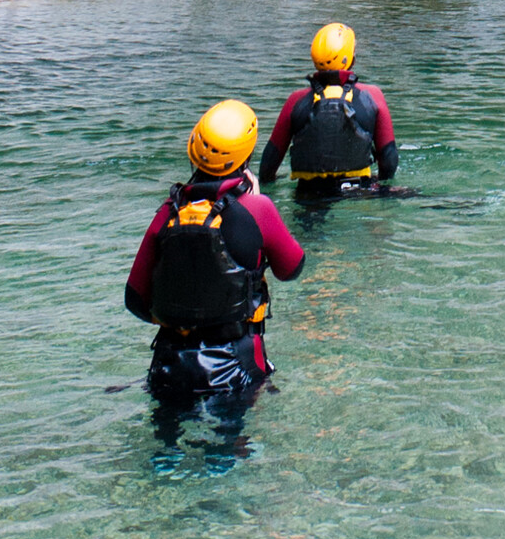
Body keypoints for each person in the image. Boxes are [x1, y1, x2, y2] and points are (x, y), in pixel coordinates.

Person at [126, 100, 305, 400]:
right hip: (234, 368)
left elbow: (135, 299)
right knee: (228, 446)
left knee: (166, 447)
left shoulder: (169, 212)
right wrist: (260, 205)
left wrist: (187, 323)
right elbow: (291, 268)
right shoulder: (257, 208)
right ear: (246, 155)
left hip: (170, 367)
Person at [258, 22, 401, 200]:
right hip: (359, 193)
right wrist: (382, 184)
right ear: (351, 59)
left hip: (308, 195)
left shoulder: (295, 100)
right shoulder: (373, 96)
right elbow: (389, 161)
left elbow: (267, 166)